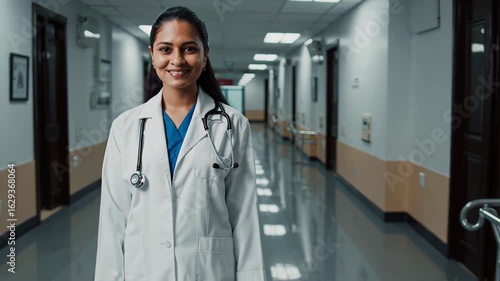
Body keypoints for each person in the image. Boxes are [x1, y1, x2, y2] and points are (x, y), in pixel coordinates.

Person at [94, 6, 266, 281]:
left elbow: (245, 217)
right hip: (145, 271)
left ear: (205, 55)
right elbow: (112, 220)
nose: (177, 60)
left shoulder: (233, 125)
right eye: (165, 49)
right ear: (152, 55)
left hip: (209, 272)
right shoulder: (125, 128)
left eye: (189, 49)